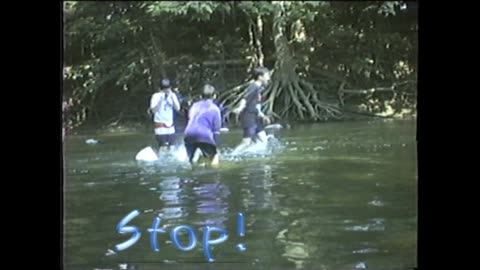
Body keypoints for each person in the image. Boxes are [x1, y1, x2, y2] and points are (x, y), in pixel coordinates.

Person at [231, 67, 272, 154]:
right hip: (248, 117)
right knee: (246, 142)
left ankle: (251, 153)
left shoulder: (259, 88)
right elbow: (245, 98)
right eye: (267, 75)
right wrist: (240, 108)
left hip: (255, 117)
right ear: (260, 77)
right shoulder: (254, 86)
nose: (268, 78)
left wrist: (262, 115)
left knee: (264, 140)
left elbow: (256, 104)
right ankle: (232, 155)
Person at [183, 84, 222, 167]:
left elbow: (190, 119)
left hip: (188, 134)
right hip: (204, 134)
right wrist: (216, 147)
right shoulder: (215, 109)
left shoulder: (194, 106)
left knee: (191, 160)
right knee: (215, 157)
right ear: (214, 96)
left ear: (200, 96)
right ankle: (214, 173)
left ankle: (192, 174)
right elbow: (216, 131)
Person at [149, 79, 181, 154]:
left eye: (168, 89)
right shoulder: (156, 96)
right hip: (160, 125)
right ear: (160, 89)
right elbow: (153, 110)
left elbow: (178, 108)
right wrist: (160, 100)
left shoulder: (172, 95)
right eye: (164, 89)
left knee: (172, 147)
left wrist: (172, 97)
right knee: (163, 147)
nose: (166, 91)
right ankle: (162, 161)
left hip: (170, 125)